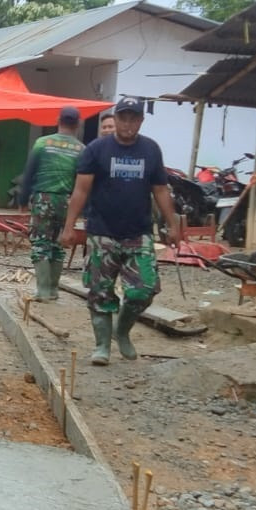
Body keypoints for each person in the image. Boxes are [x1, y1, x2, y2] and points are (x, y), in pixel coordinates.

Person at [61, 97, 182, 366]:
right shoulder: (96, 149)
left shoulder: (151, 149)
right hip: (101, 232)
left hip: (138, 233)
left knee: (144, 290)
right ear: (114, 120)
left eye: (133, 118)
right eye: (123, 118)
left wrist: (172, 225)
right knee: (100, 291)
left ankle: (122, 331)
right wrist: (69, 226)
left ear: (141, 121)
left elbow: (160, 190)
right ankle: (102, 345)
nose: (128, 124)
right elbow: (81, 190)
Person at [19, 106, 85, 301]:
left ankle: (43, 291)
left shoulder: (42, 143)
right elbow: (83, 181)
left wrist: (23, 199)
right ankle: (54, 290)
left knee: (41, 244)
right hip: (68, 202)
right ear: (78, 124)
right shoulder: (82, 149)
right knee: (58, 244)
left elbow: (29, 173)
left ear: (58, 120)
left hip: (44, 199)